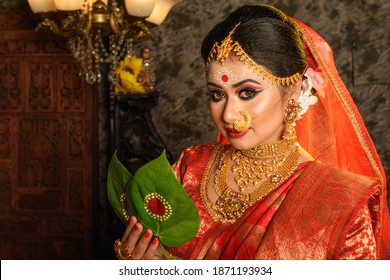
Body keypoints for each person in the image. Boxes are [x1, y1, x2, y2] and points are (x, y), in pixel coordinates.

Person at [113, 4, 390, 259]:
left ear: (293, 90)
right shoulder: (190, 168)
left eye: (247, 92)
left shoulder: (339, 201)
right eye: (217, 94)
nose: (229, 114)